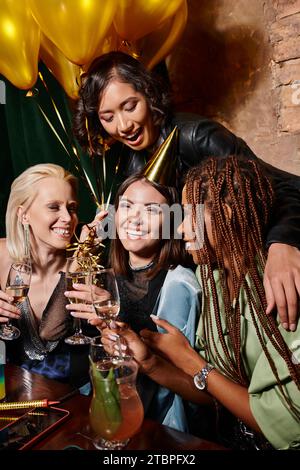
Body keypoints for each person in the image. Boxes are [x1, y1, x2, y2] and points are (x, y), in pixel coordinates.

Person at [73, 50, 300, 331]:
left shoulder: (198, 135)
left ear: (148, 93)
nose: (123, 126)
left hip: (250, 271)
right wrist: (96, 237)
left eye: (130, 106)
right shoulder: (129, 158)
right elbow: (158, 224)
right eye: (108, 117)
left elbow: (286, 187)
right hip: (201, 281)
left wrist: (282, 246)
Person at [111, 155, 300, 450]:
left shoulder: (280, 288)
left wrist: (193, 362)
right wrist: (149, 363)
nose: (182, 228)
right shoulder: (210, 277)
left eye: (188, 215)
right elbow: (214, 394)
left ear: (225, 214)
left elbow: (283, 426)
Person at [66, 173, 202, 432]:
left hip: (154, 425)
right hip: (104, 407)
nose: (134, 219)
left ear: (171, 222)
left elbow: (180, 380)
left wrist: (116, 311)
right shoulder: (109, 270)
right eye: (127, 206)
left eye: (151, 211)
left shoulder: (179, 284)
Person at [0, 163, 97, 387]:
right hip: (11, 394)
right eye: (54, 207)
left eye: (71, 208)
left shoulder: (86, 266)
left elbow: (50, 333)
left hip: (72, 399)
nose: (68, 218)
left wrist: (77, 262)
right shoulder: (2, 256)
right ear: (23, 215)